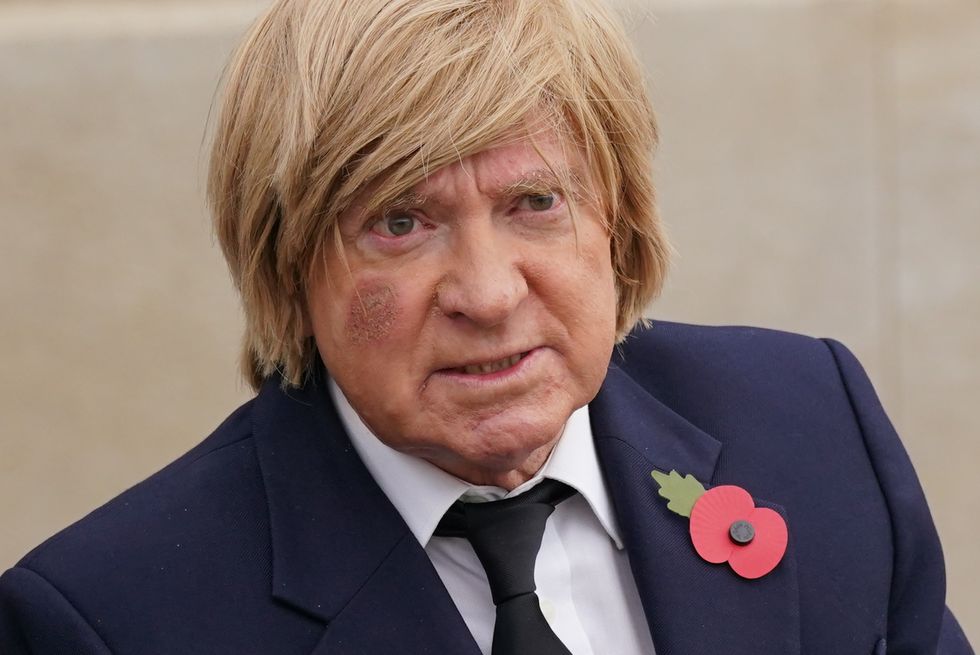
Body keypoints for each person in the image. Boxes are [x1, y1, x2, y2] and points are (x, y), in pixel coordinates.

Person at [0, 0, 972, 653]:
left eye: (534, 202)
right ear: (288, 266)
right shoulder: (108, 619)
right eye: (399, 222)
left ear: (618, 221)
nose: (487, 292)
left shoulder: (812, 427)